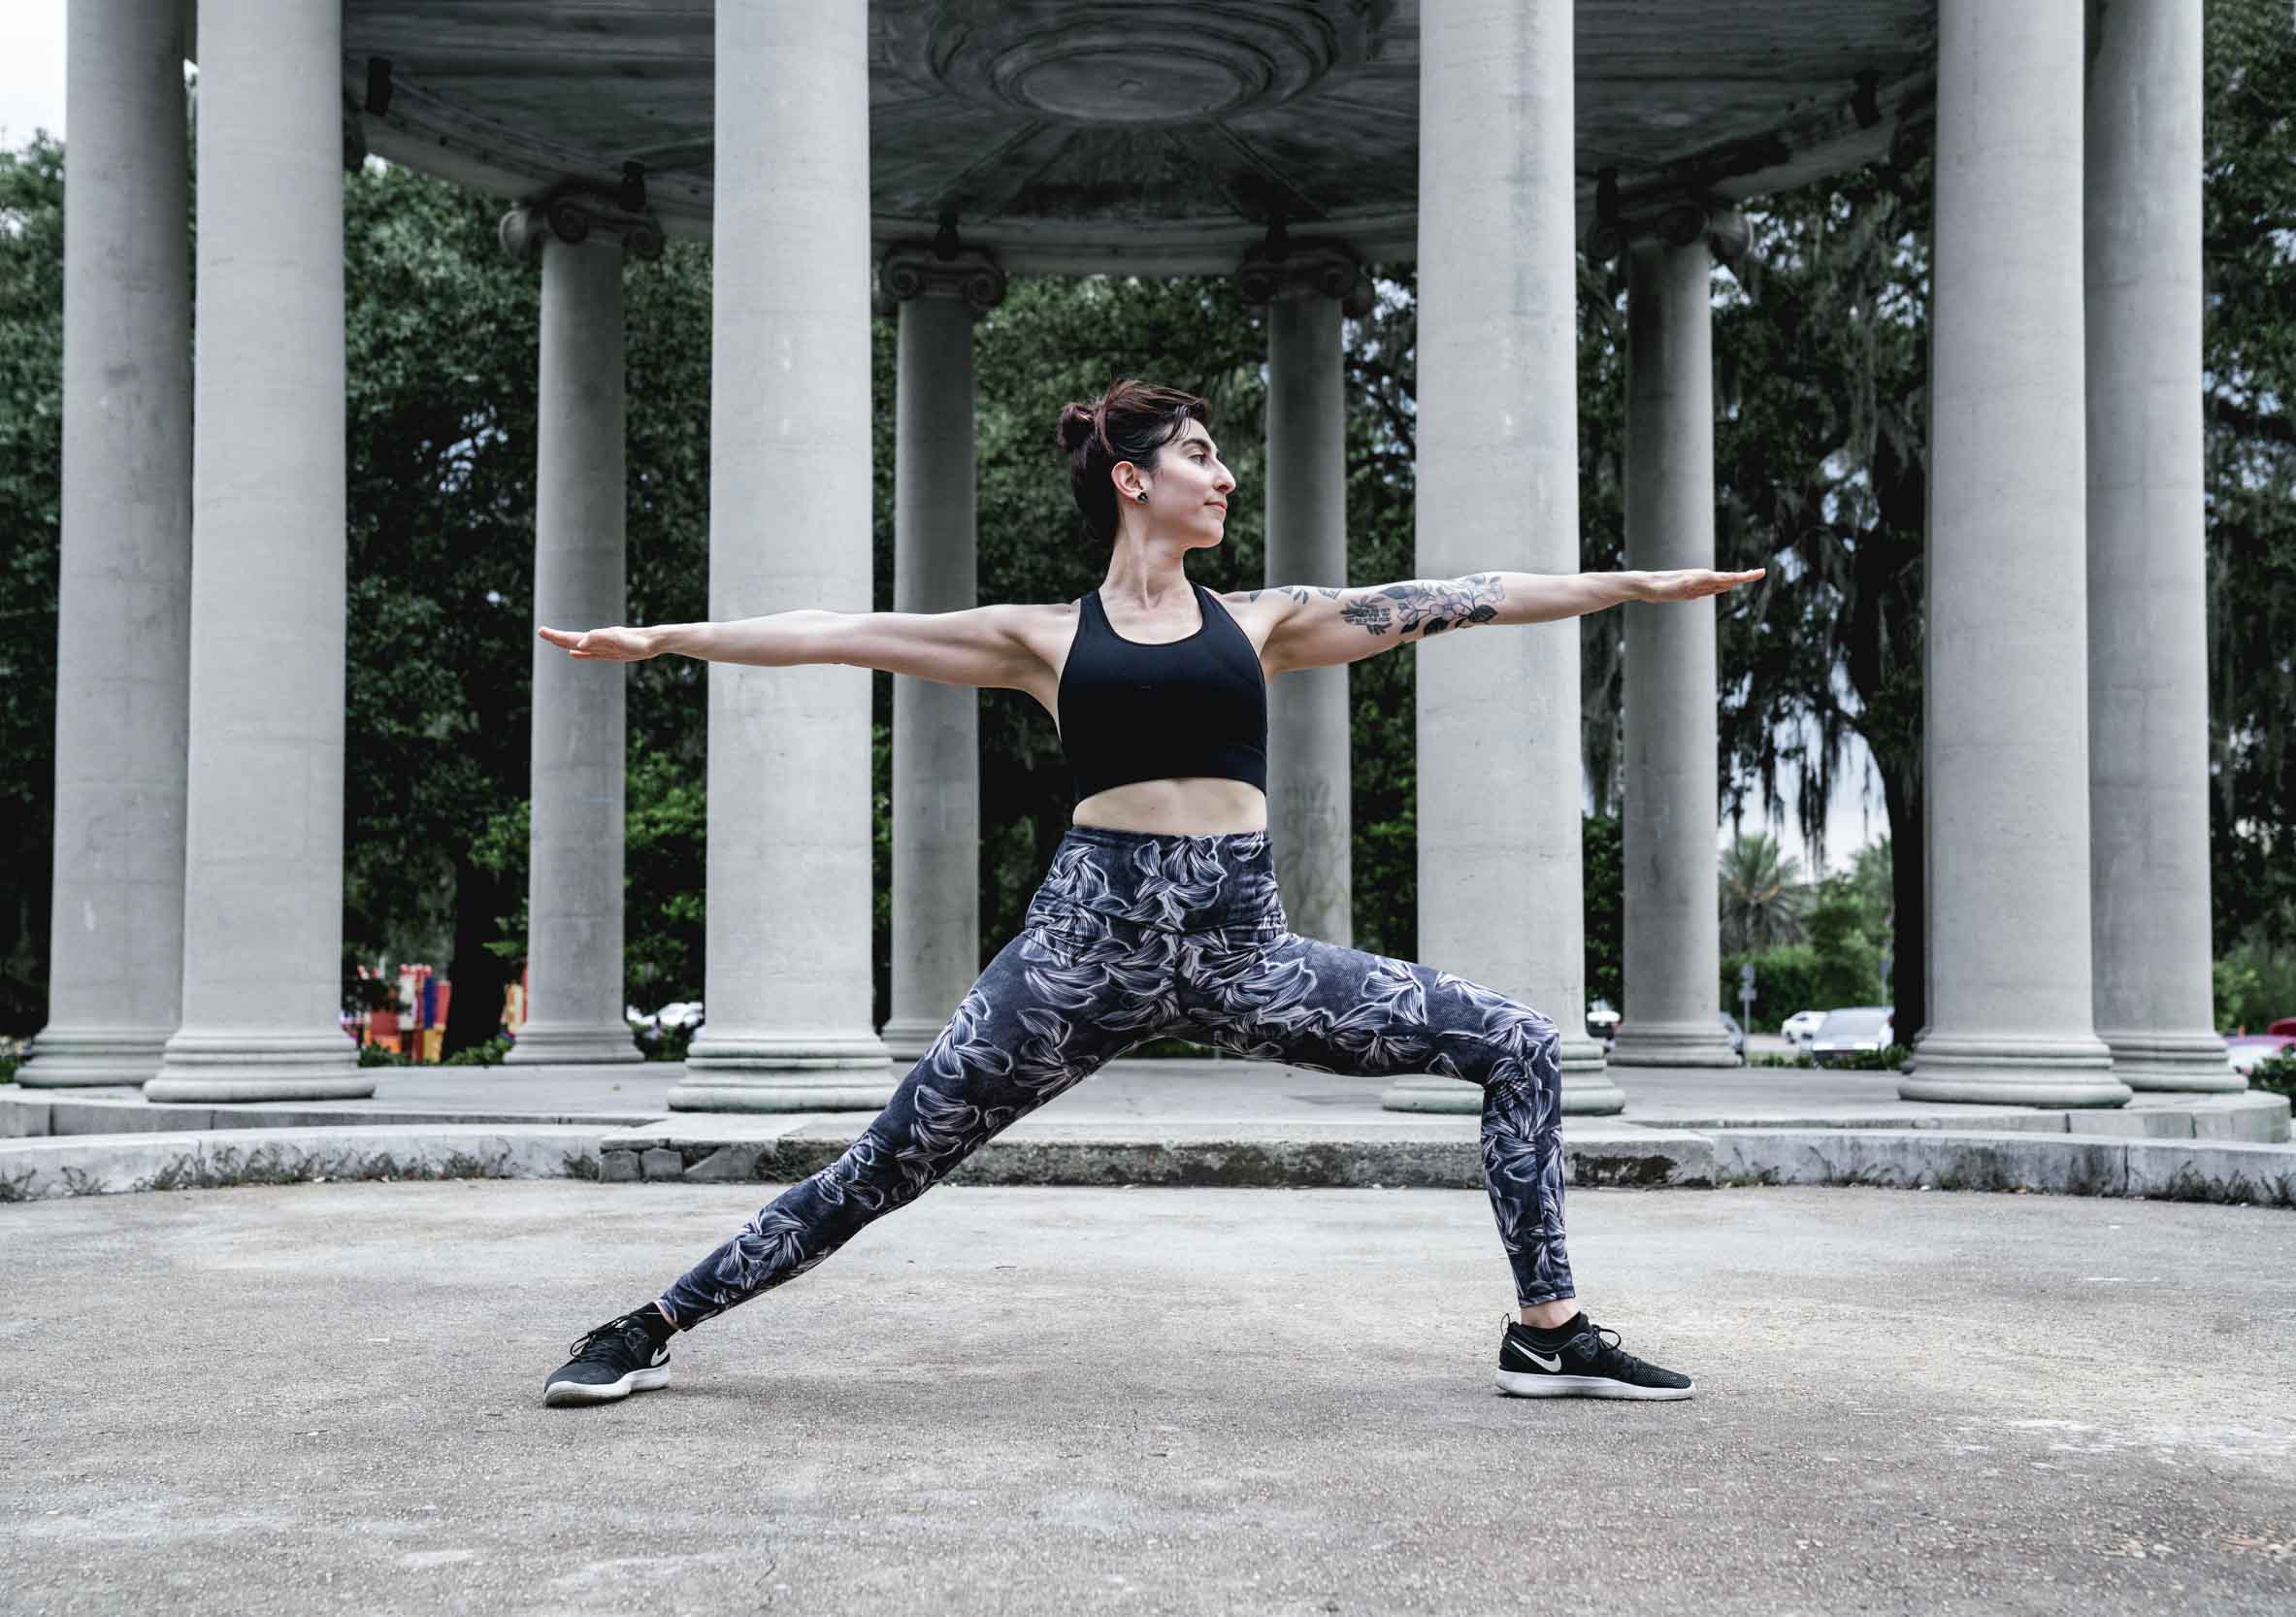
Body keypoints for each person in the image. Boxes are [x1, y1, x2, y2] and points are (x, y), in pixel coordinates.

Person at [533, 380, 1763, 1408]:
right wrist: (665, 639)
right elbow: (838, 630)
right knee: (884, 1164)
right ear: (1132, 478)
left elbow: (1472, 593)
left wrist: (1635, 586)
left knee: (1521, 1045)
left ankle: (1546, 1329)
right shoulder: (1041, 639)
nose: (1223, 475)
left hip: (1244, 954)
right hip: (1076, 959)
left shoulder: (1266, 619)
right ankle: (648, 1324)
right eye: (1198, 455)